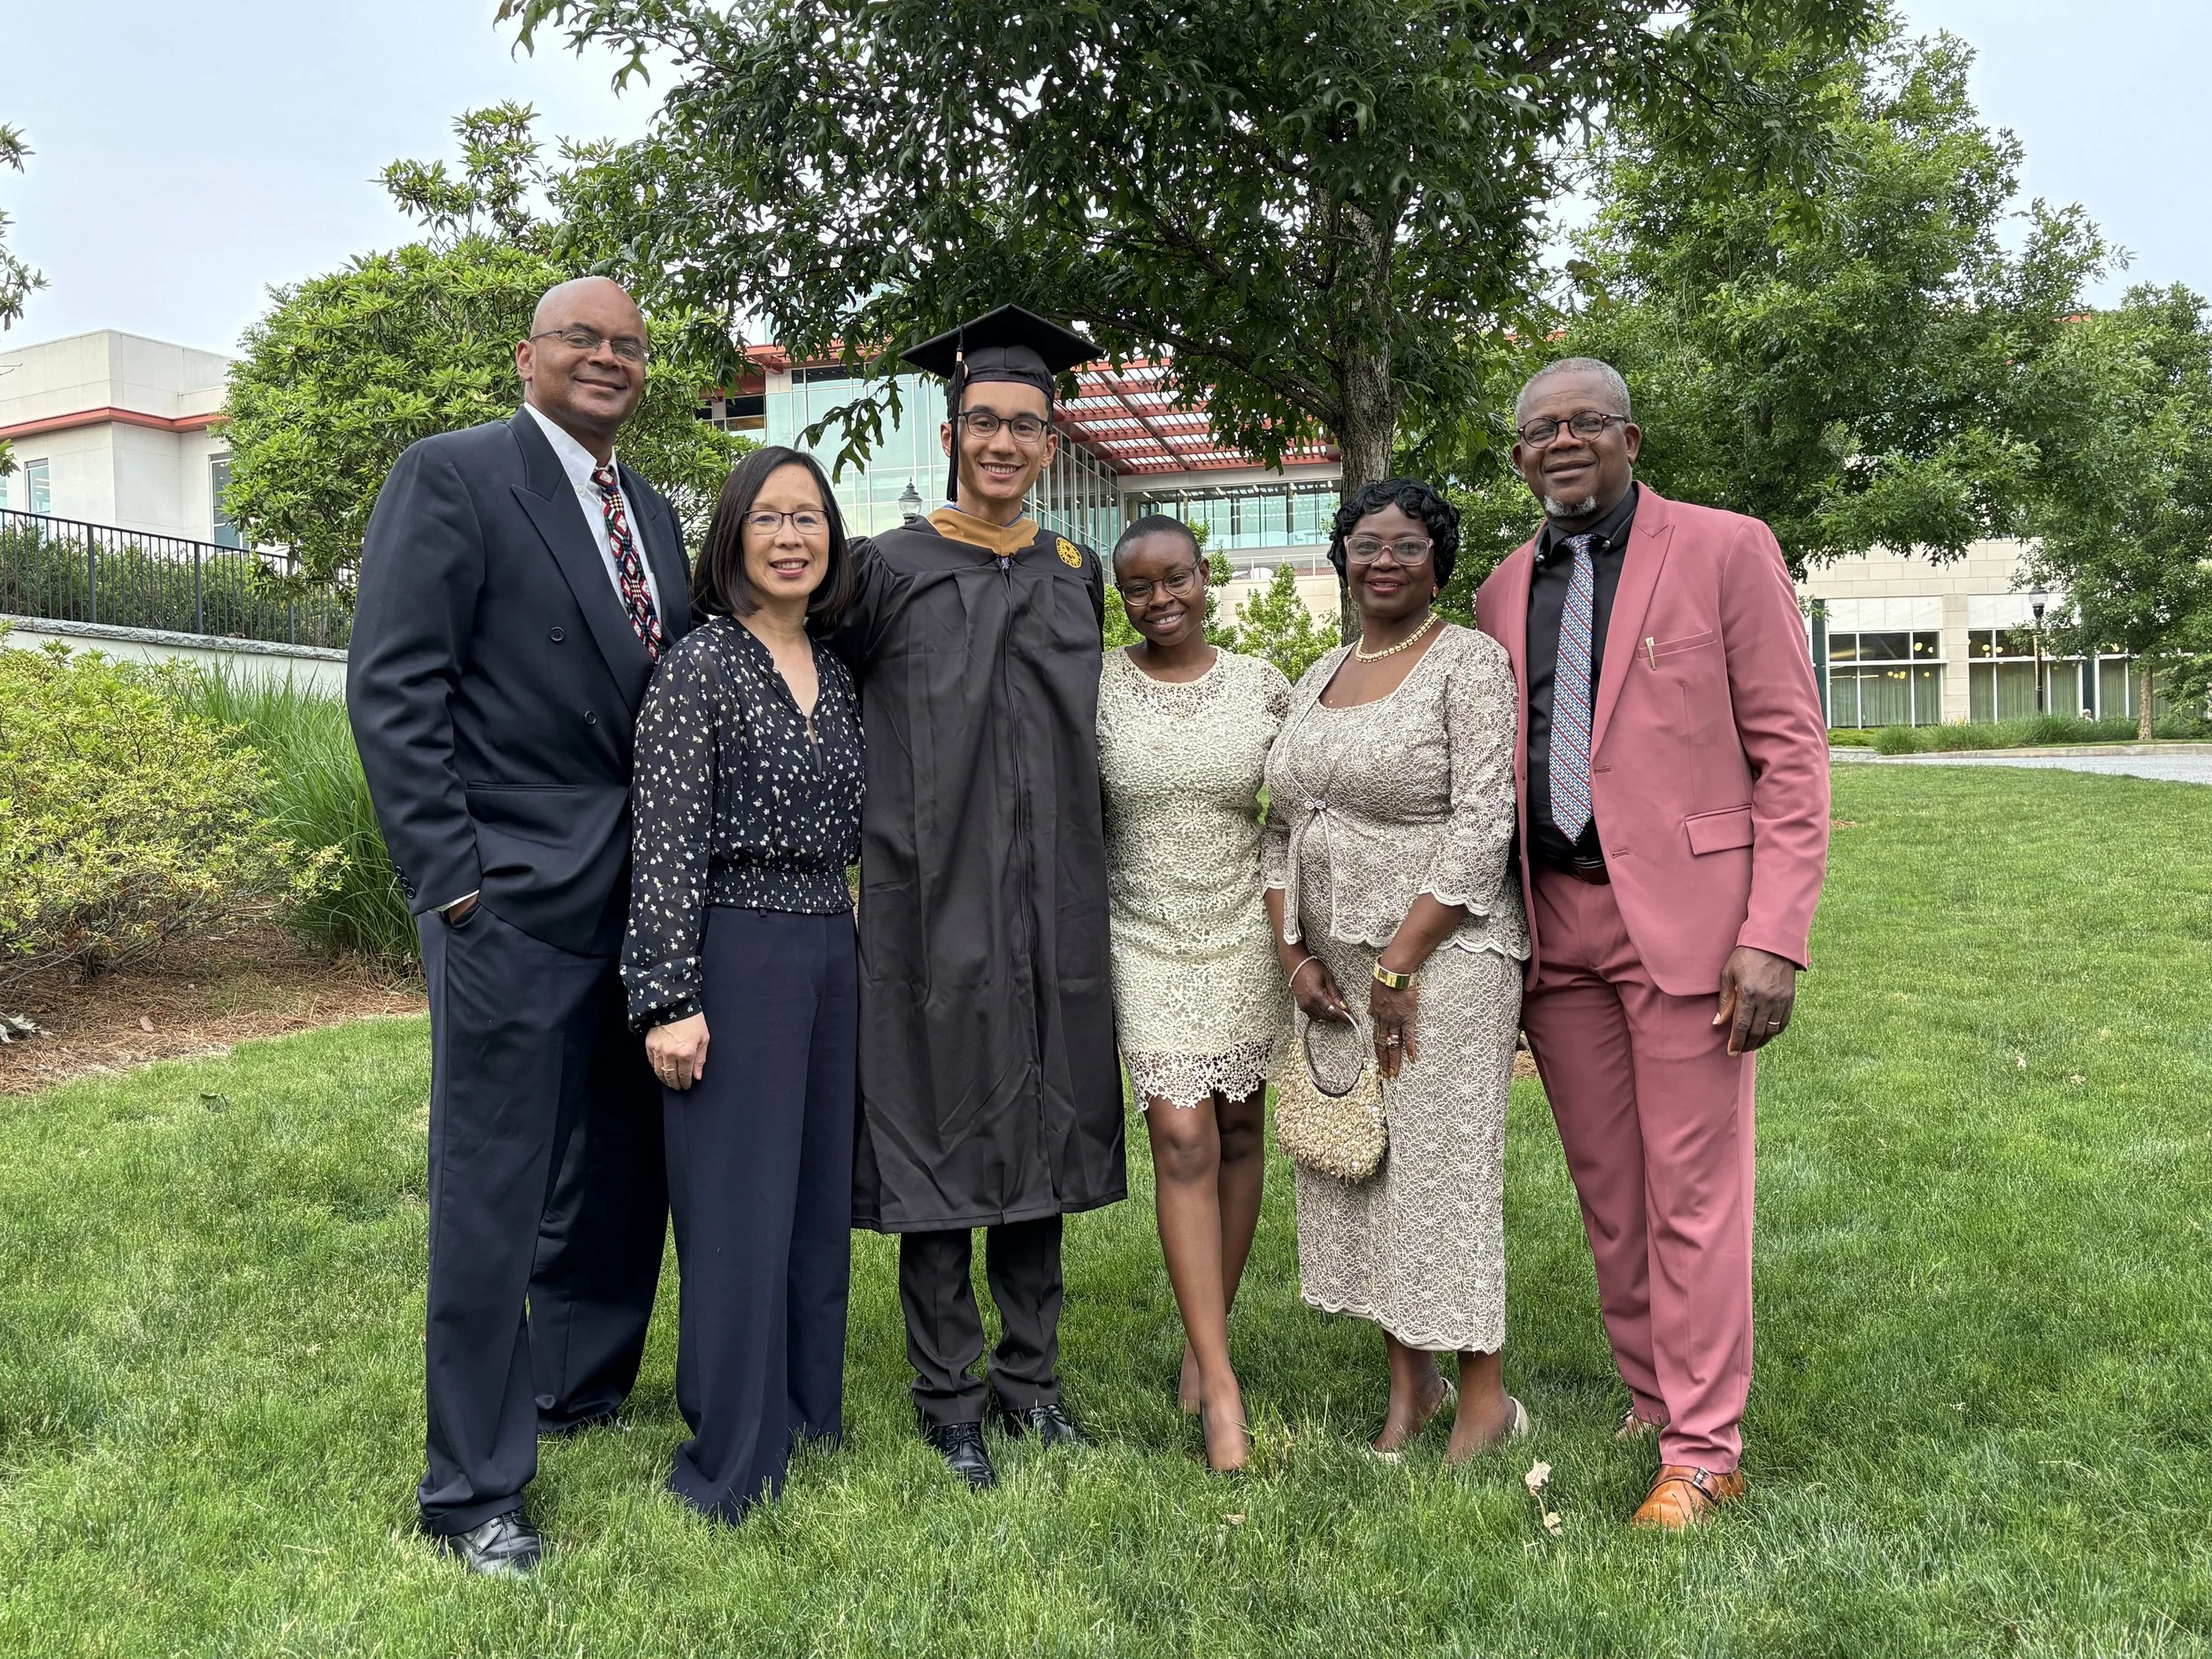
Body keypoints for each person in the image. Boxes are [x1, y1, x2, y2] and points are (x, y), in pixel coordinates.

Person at [349, 278, 690, 1575]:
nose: (606, 358)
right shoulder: (452, 476)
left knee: (620, 1164)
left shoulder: (650, 511)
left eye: (628, 346)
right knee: (493, 1193)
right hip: (509, 896)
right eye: (581, 339)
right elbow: (393, 689)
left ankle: (579, 1382)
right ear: (528, 355)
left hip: (637, 901)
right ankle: (473, 1488)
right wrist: (454, 886)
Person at [1473, 358, 1829, 1528]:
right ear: (1520, 457)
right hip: (1555, 921)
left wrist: (1773, 933)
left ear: (1629, 435)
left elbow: (1791, 749)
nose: (1561, 441)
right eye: (1539, 430)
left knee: (1692, 1187)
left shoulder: (1727, 548)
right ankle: (1650, 1391)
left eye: (1583, 422)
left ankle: (1704, 1447)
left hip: (1690, 923)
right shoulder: (1501, 587)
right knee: (1610, 1187)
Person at [819, 304, 1124, 1492]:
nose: (1004, 441)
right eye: (985, 421)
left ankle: (1030, 1380)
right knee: (937, 1130)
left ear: (1052, 440)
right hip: (927, 895)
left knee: (1044, 1123)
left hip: (1056, 897)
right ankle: (947, 1394)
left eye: (1026, 425)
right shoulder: (886, 570)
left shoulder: (1072, 572)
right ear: (950, 431)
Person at [1261, 478, 1531, 1466]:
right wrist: (1293, 954)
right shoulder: (1322, 669)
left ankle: (1485, 1399)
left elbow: (1481, 822)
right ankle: (1407, 1390)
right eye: (1366, 543)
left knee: (1443, 1175)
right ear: (1340, 555)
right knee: (1371, 1172)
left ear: (1437, 560)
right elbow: (1282, 823)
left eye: (1407, 545)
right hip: (1338, 966)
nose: (1383, 559)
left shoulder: (1468, 663)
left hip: (1445, 960)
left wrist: (1400, 962)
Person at [622, 446, 863, 1523]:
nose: (790, 537)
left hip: (830, 948)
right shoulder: (699, 665)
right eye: (768, 517)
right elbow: (663, 841)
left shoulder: (841, 671)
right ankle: (730, 1451)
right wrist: (668, 998)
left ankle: (807, 1417)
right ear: (733, 537)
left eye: (808, 518)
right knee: (735, 1210)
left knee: (814, 1203)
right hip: (734, 947)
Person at [1095, 515, 1291, 1473]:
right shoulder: (1096, 689)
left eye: (1174, 579)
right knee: (1181, 1135)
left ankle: (1201, 1336)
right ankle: (1222, 1389)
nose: (1158, 600)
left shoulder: (1262, 685)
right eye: (1137, 587)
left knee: (1243, 1133)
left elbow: (1299, 811)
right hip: (1141, 931)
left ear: (1205, 577)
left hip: (1244, 931)